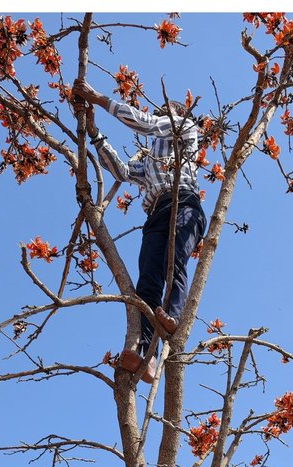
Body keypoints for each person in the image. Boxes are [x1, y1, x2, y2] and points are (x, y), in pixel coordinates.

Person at [72, 78, 207, 384]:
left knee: (175, 262)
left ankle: (172, 316)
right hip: (156, 212)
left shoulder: (183, 128)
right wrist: (94, 132)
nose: (163, 111)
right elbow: (120, 170)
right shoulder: (149, 158)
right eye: (163, 109)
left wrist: (99, 99)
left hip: (183, 201)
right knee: (147, 280)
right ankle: (143, 354)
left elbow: (149, 125)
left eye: (167, 109)